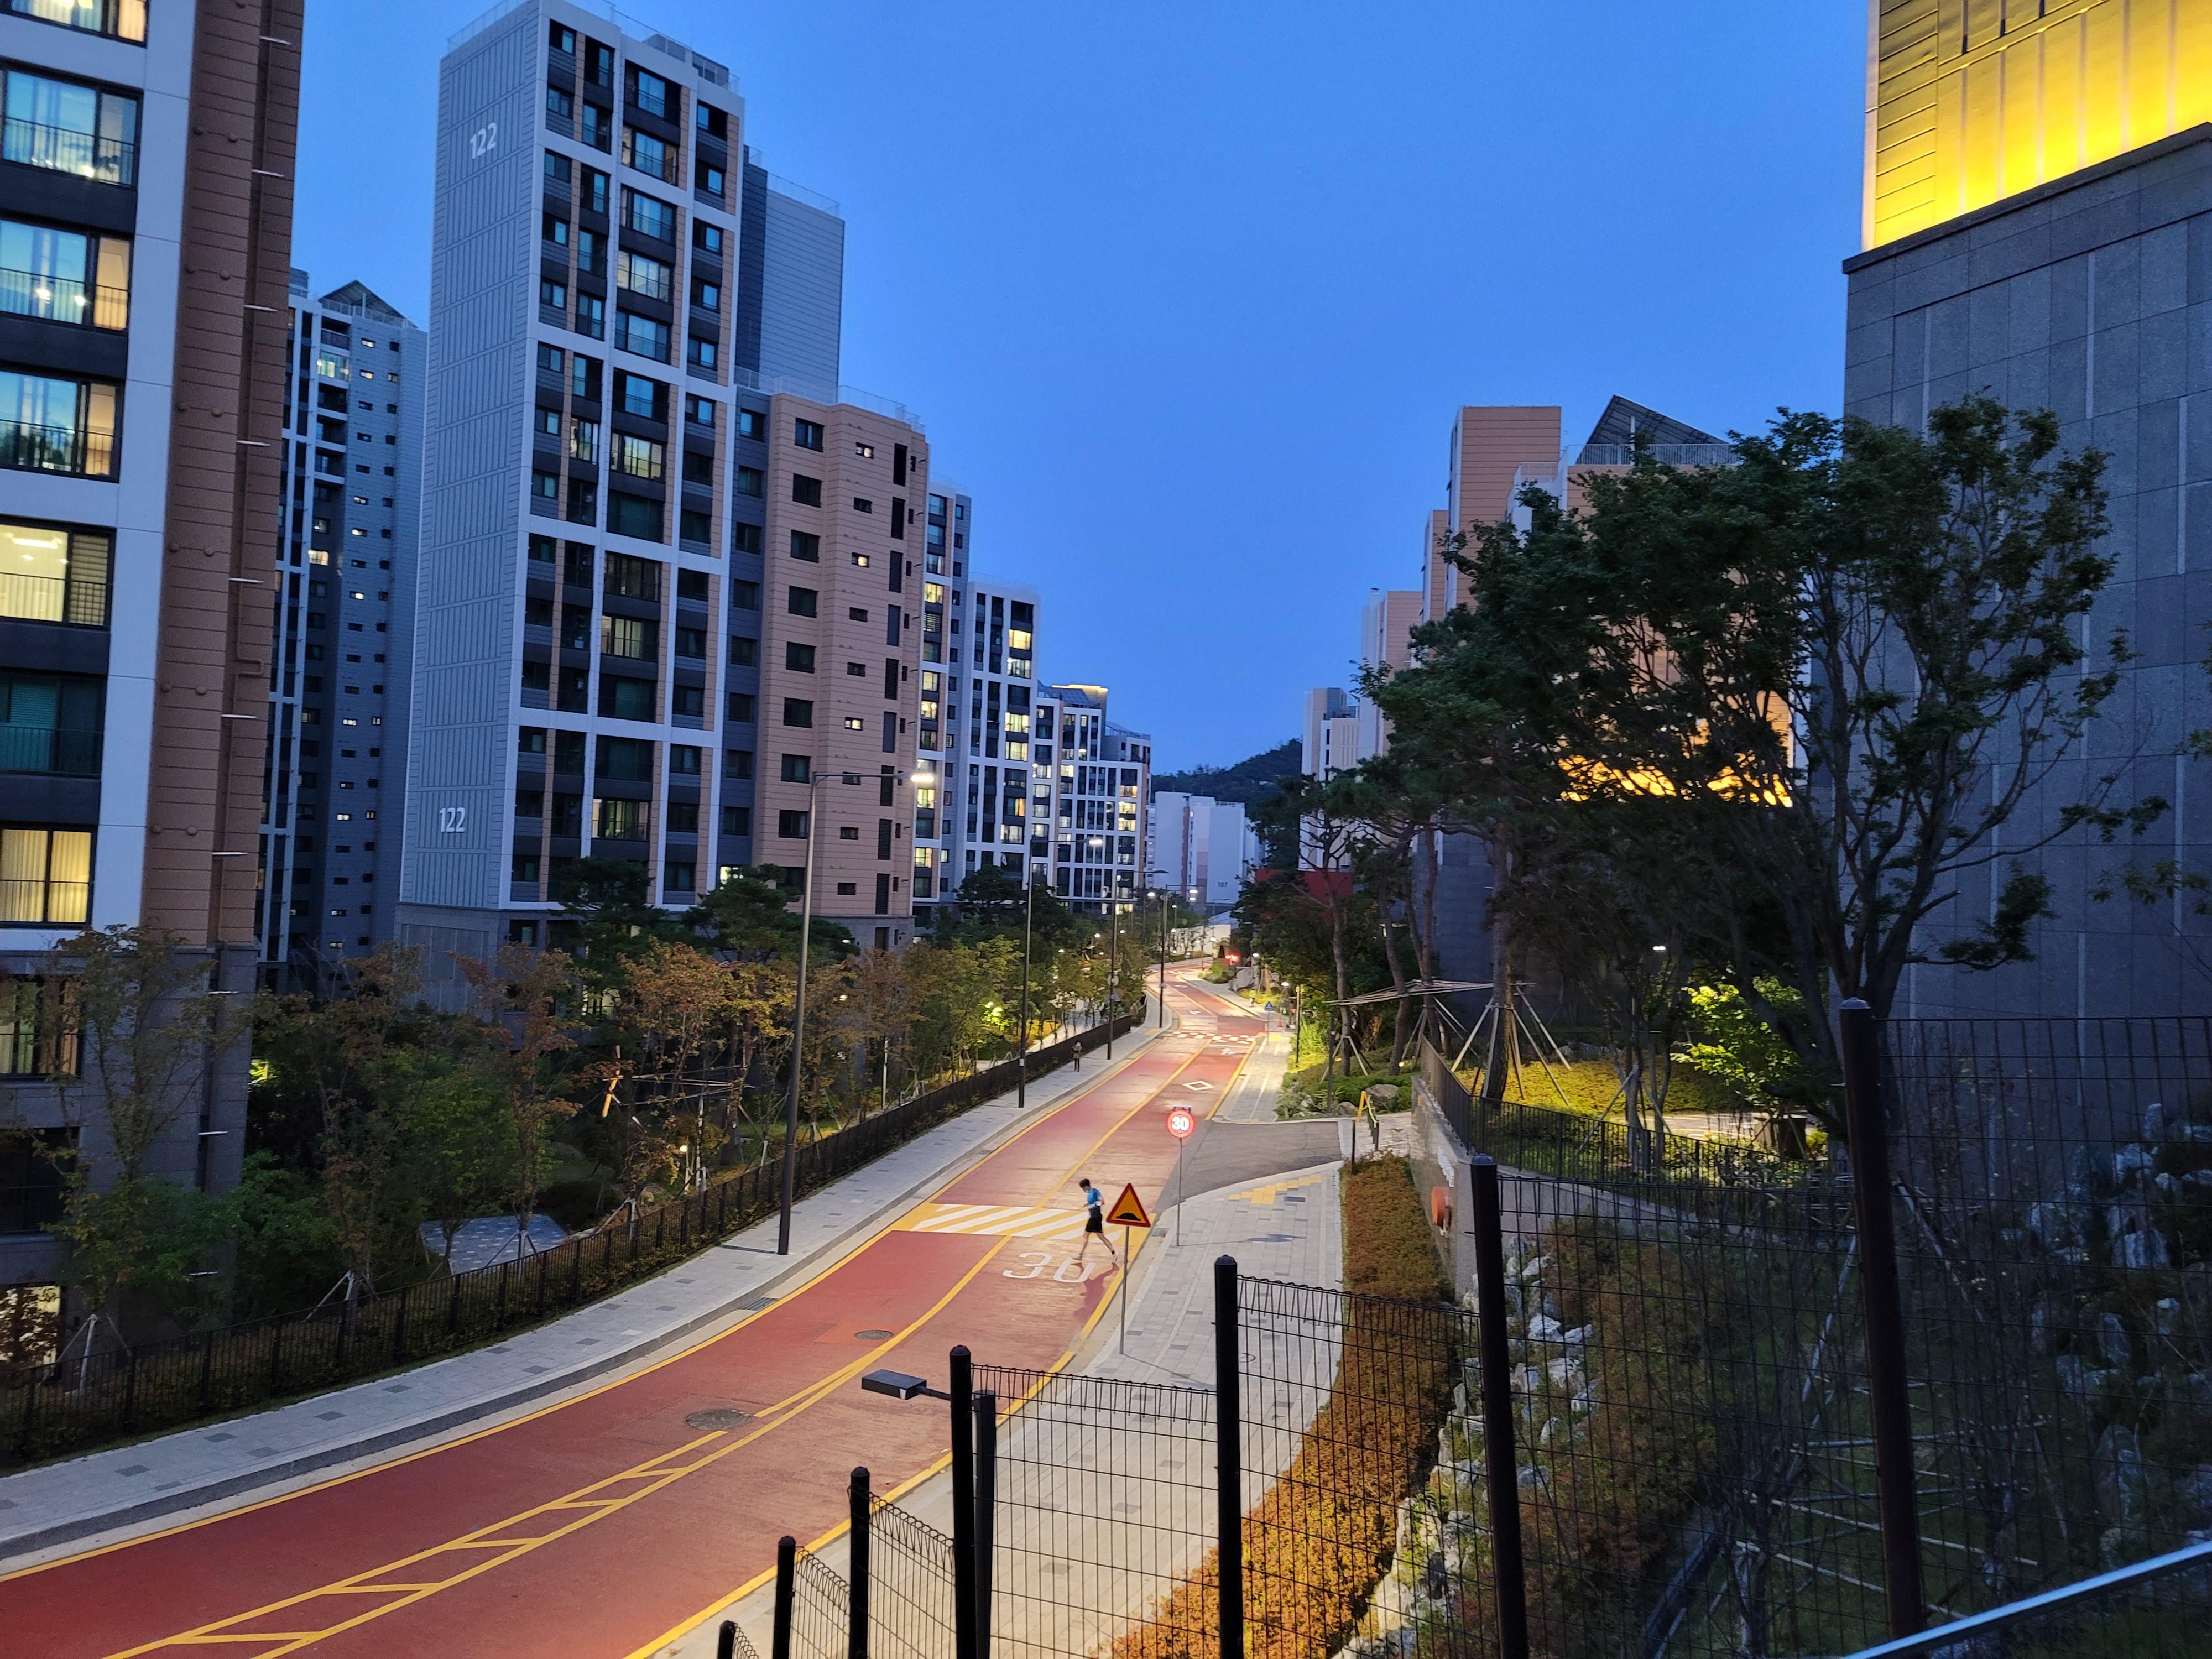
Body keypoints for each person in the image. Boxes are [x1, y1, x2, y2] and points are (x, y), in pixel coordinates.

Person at [1076, 1176, 1117, 1267]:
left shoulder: (1094, 1192)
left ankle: (1080, 1255)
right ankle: (1113, 1252)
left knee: (1085, 1235)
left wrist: (1093, 1205)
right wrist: (1088, 1204)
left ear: (1086, 1186)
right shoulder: (1091, 1193)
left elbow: (1102, 1202)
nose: (1083, 1190)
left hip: (1094, 1217)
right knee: (1101, 1236)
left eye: (1083, 1188)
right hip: (1097, 1217)